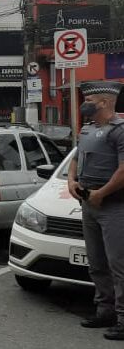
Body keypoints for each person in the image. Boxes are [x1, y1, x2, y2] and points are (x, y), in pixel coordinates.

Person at [68, 81, 124, 340]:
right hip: (88, 202)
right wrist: (71, 181)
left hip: (113, 204)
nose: (85, 101)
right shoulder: (87, 129)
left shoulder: (119, 131)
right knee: (97, 262)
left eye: (89, 98)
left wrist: (102, 194)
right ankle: (105, 311)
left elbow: (123, 170)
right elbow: (76, 159)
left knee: (118, 264)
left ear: (103, 102)